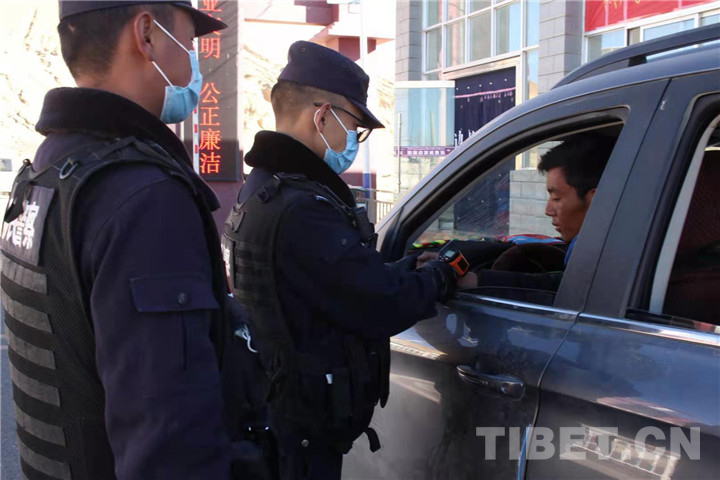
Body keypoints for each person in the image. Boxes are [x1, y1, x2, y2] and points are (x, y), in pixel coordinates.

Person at [0, 2, 240, 479]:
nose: (194, 63)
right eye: (188, 44)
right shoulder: (145, 198)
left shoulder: (47, 170)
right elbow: (170, 449)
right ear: (147, 34)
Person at [222, 41, 465, 480]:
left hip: (278, 411)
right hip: (302, 433)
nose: (355, 141)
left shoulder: (262, 187)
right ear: (322, 117)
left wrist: (403, 270)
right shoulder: (303, 208)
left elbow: (330, 283)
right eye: (355, 128)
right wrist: (444, 275)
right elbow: (378, 304)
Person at [419, 133, 614, 292]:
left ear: (595, 200)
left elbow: (559, 289)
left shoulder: (605, 257)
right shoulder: (603, 246)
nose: (548, 210)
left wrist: (472, 280)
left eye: (556, 198)